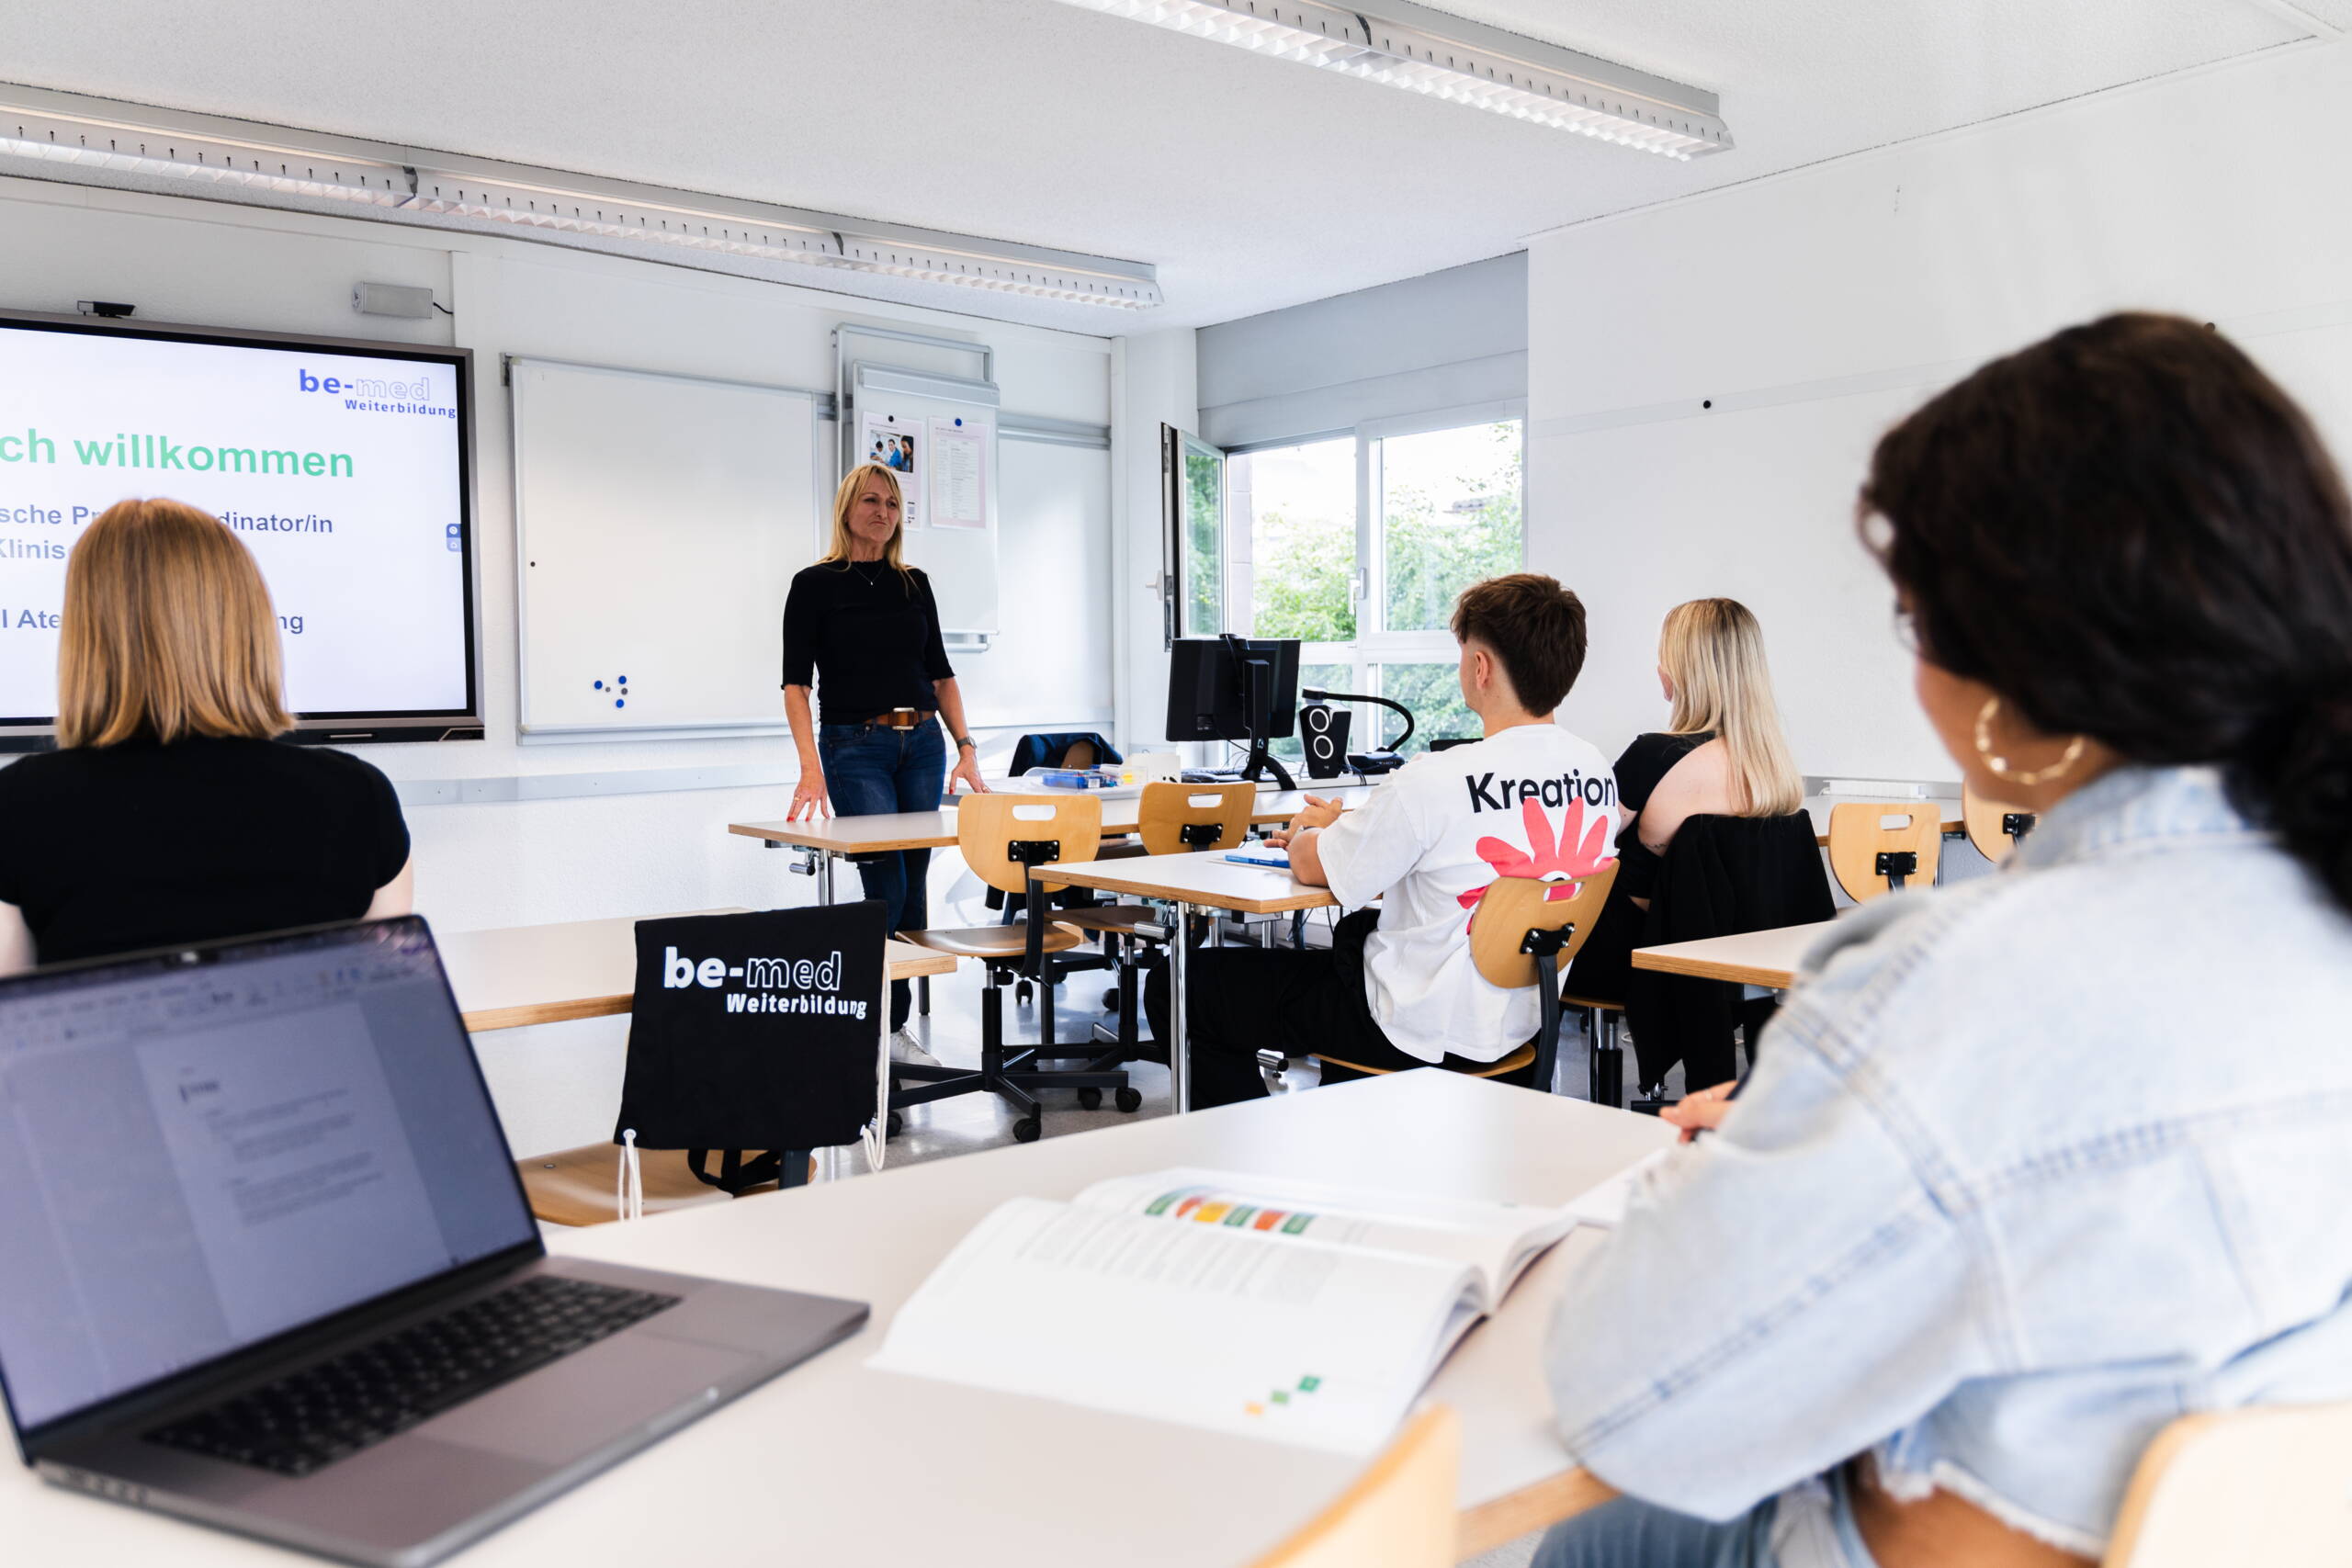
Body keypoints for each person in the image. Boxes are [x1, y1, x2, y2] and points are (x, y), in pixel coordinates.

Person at [1536, 313, 2352, 1568]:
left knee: (1601, 1526)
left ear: (2019, 677)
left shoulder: (1950, 982)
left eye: (1920, 627)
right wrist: (1827, 1112)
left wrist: (1751, 1158)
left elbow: (1622, 1396)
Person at [1143, 573, 1619, 1108]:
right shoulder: (1595, 770)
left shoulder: (1436, 779)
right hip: (1522, 1021)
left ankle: (1249, 1143)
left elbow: (1313, 865)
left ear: (1480, 667)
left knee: (1178, 985)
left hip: (1411, 1025)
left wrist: (1314, 830)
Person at [0, 499, 412, 974]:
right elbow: (388, 999)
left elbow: (17, 1022)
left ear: (87, 636)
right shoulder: (360, 793)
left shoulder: (18, 802)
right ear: (247, 621)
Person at [781, 463, 986, 1052]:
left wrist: (966, 748)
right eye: (871, 501)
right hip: (854, 747)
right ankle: (867, 1012)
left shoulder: (914, 582)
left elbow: (941, 673)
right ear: (847, 509)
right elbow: (797, 685)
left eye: (892, 504)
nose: (883, 512)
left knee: (916, 876)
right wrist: (810, 769)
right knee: (886, 878)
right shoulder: (814, 584)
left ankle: (892, 1019)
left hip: (922, 743)